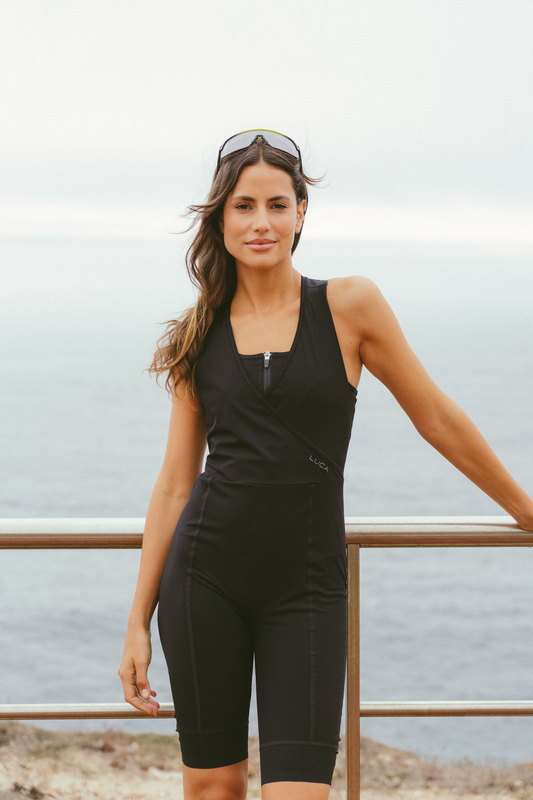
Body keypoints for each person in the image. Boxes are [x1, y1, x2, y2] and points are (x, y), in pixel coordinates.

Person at [119, 129, 533, 800]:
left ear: (301, 213)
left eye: (277, 205)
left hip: (304, 590)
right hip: (203, 582)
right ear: (220, 218)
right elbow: (173, 486)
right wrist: (136, 621)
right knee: (212, 789)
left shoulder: (347, 305)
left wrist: (524, 509)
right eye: (244, 206)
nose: (261, 222)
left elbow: (435, 416)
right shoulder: (199, 332)